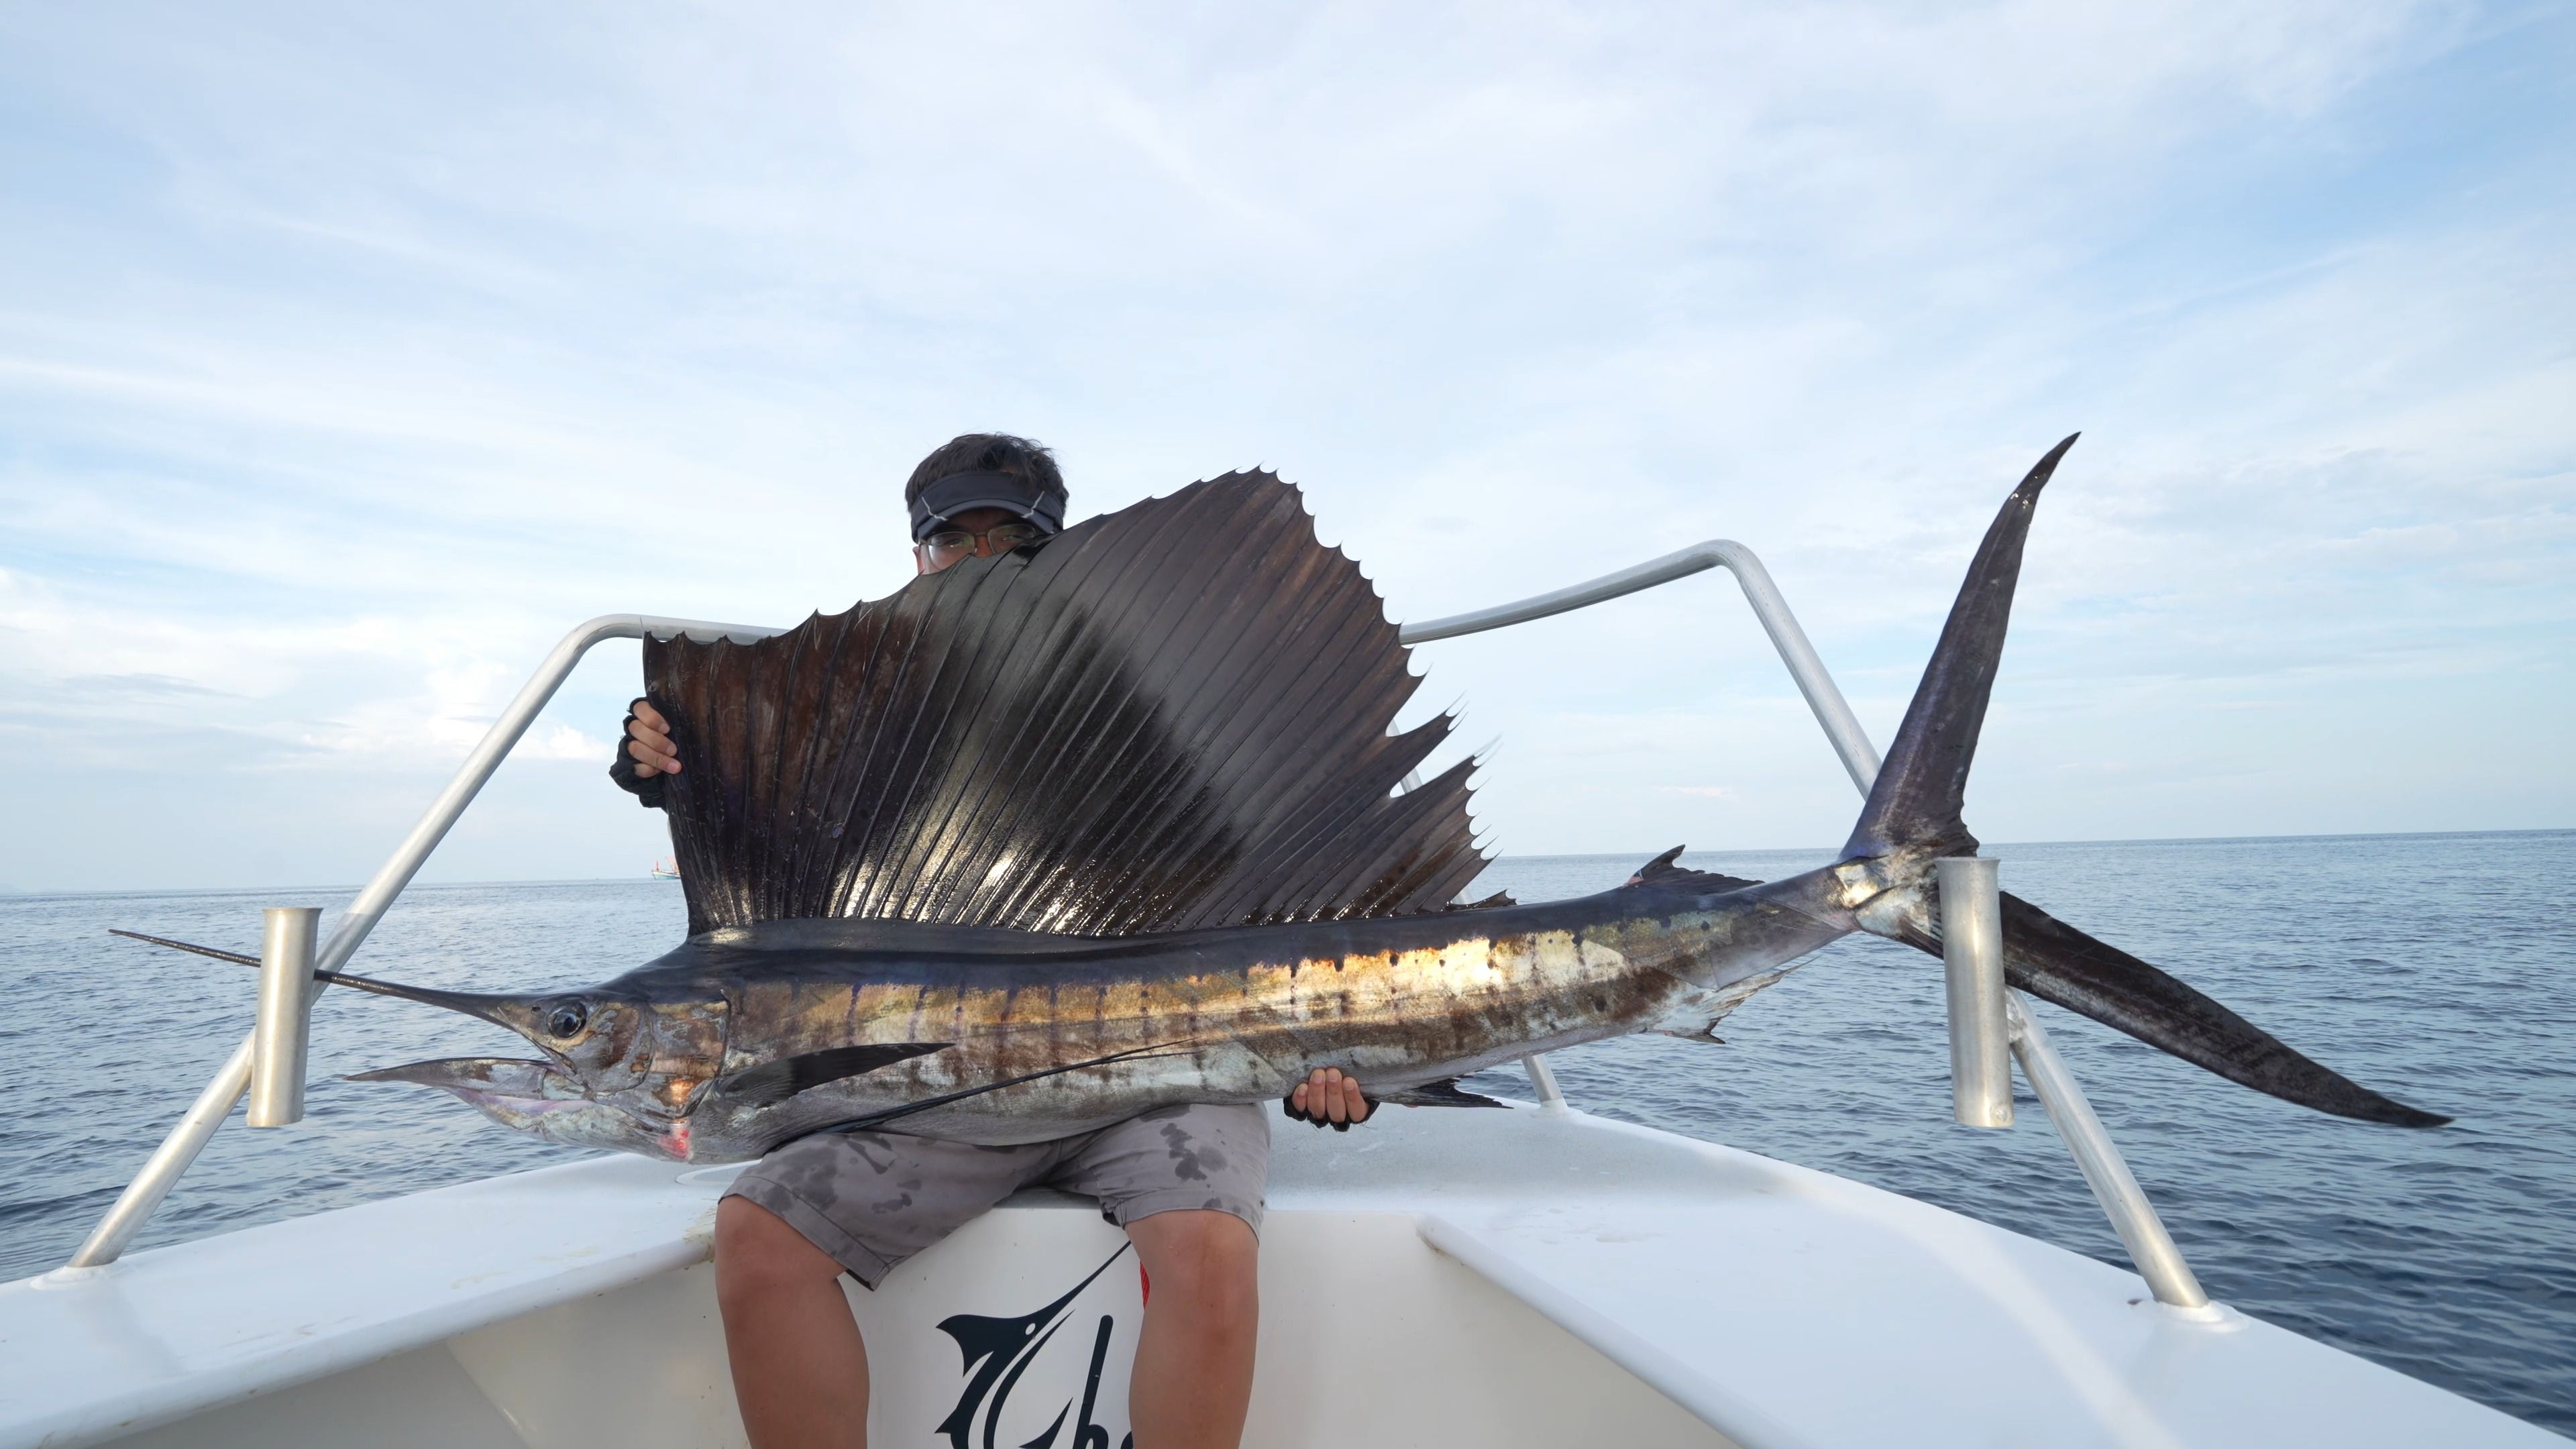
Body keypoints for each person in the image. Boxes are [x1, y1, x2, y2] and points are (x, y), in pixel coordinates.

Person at [608, 433, 1373, 1449]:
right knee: (758, 1238)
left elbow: (1263, 886)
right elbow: (774, 842)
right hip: (936, 1089)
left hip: (1158, 1077)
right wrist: (668, 761)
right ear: (915, 555)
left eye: (1008, 539)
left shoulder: (1154, 704)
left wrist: (1336, 1046)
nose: (977, 561)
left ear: (1050, 548)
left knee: (1209, 1252)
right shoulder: (859, 710)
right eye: (951, 539)